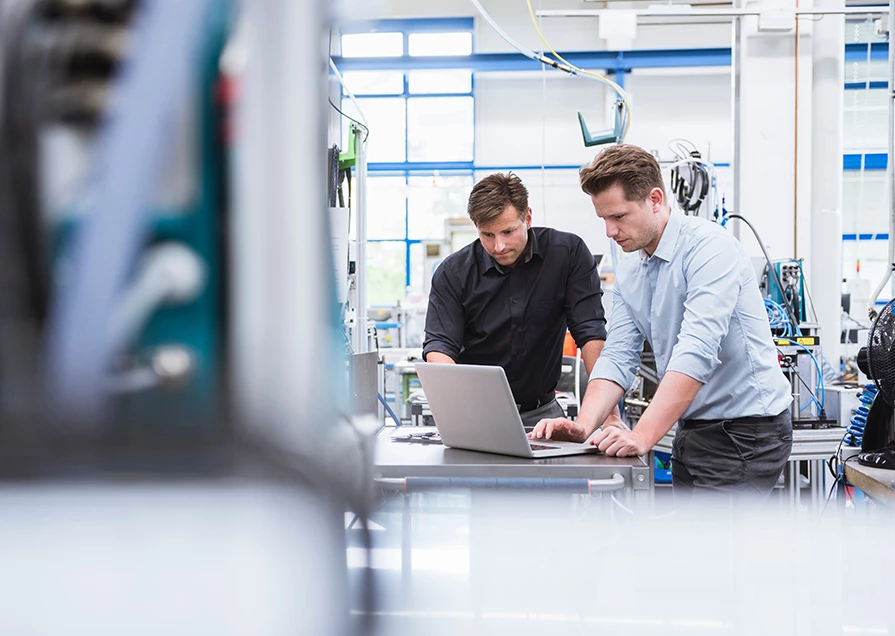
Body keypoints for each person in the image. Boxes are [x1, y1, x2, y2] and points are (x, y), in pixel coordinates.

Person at [530, 144, 793, 497]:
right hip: (692, 426)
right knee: (692, 547)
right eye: (603, 219)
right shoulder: (630, 271)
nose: (609, 231)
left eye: (619, 217)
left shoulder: (710, 250)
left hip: (746, 431)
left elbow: (696, 352)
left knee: (716, 547)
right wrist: (583, 426)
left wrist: (642, 435)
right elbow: (618, 356)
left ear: (655, 199)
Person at [422, 172, 617, 429]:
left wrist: (609, 416)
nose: (499, 246)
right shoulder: (453, 273)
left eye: (508, 231)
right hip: (475, 414)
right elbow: (440, 345)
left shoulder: (567, 255)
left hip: (543, 414)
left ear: (528, 218)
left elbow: (590, 332)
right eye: (487, 235)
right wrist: (458, 409)